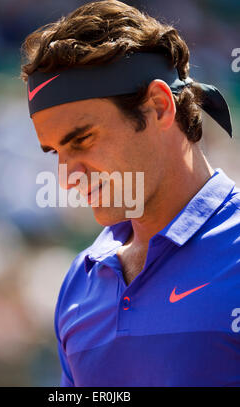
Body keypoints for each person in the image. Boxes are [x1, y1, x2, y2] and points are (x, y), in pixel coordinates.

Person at [21, 0, 240, 386]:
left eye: (83, 140)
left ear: (158, 107)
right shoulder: (79, 282)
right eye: (57, 152)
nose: (68, 178)